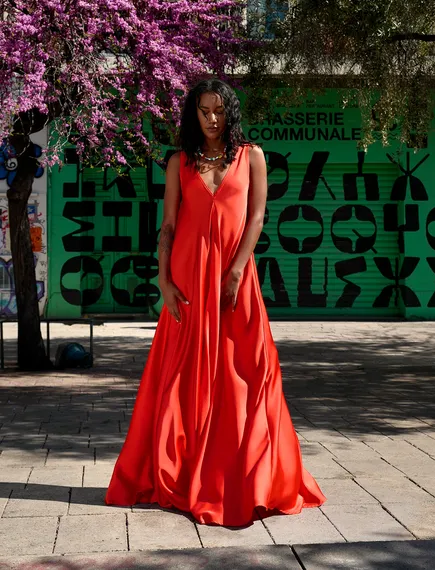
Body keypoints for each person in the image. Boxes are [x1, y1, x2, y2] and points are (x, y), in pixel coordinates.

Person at [105, 79, 326, 526]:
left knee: (246, 372)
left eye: (219, 111)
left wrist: (238, 269)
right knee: (181, 377)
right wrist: (163, 281)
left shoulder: (253, 156)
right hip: (188, 281)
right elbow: (168, 226)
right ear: (194, 114)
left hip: (234, 281)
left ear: (230, 114)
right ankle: (182, 474)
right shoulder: (179, 162)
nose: (211, 119)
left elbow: (257, 216)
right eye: (204, 110)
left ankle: (246, 476)